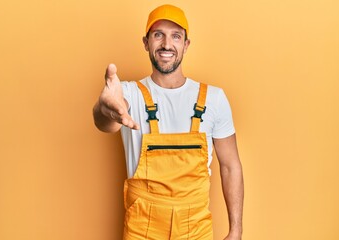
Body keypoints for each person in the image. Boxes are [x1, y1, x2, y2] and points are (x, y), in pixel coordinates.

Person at [93, 4, 244, 240]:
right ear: (146, 42)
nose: (166, 44)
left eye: (175, 36)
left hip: (196, 228)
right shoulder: (127, 94)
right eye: (158, 35)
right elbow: (105, 122)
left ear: (186, 44)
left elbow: (230, 166)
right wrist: (106, 110)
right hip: (142, 228)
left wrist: (236, 230)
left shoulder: (214, 98)